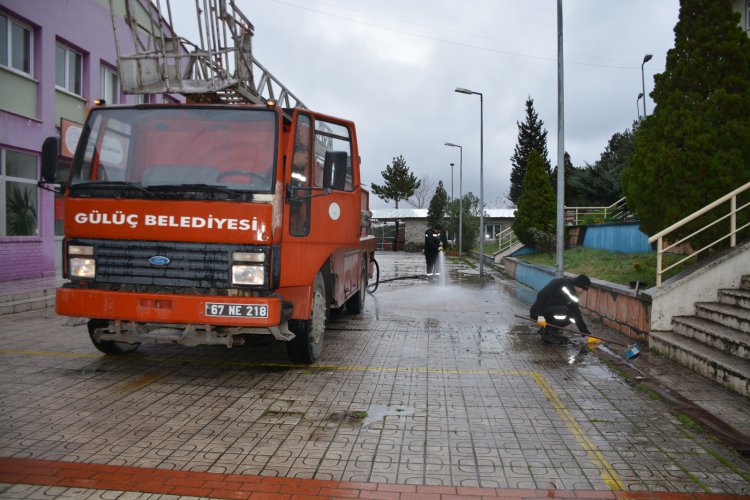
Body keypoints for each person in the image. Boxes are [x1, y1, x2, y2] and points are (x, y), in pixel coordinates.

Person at [529, 274, 591, 344]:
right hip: (537, 311)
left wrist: (586, 334)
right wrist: (540, 315)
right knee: (565, 310)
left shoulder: (574, 295)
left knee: (572, 317)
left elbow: (576, 313)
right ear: (577, 284)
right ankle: (548, 333)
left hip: (552, 312)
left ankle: (549, 330)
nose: (582, 292)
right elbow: (541, 295)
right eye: (582, 289)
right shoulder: (560, 282)